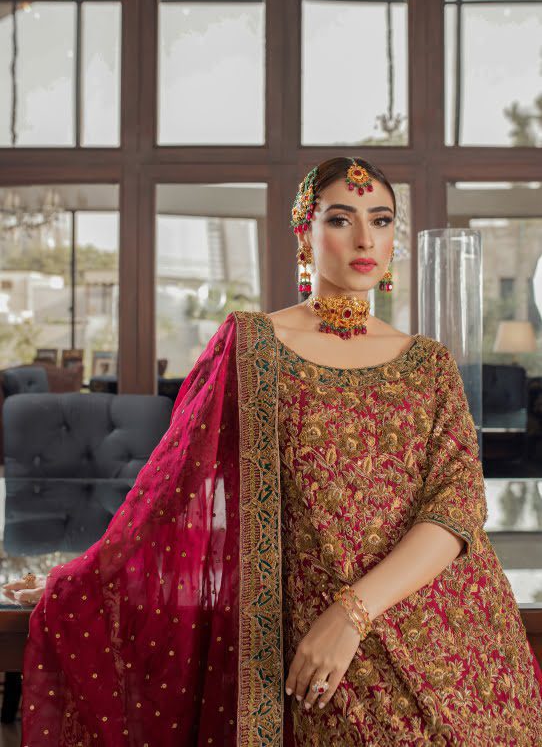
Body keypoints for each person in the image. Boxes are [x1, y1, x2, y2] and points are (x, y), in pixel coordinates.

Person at [4, 156, 542, 746]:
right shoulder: (253, 346)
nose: (365, 239)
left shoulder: (430, 364)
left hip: (453, 636)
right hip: (321, 656)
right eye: (341, 219)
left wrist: (351, 614)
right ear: (305, 233)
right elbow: (172, 492)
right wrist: (94, 579)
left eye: (381, 220)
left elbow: (457, 506)